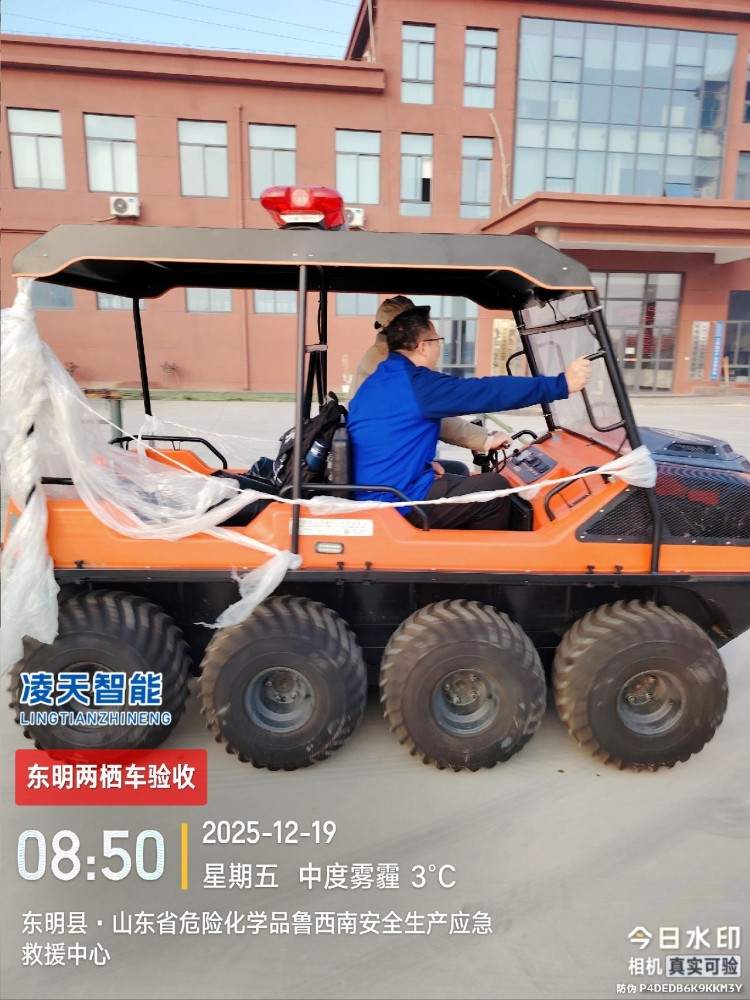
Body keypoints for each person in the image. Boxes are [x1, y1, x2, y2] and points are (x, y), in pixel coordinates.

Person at [348, 305, 591, 530]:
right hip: (395, 501)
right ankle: (484, 562)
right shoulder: (417, 384)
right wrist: (561, 384)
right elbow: (486, 392)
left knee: (458, 469)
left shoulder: (381, 378)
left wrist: (421, 465)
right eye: (438, 341)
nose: (439, 347)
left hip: (380, 488)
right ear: (423, 346)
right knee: (494, 489)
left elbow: (387, 435)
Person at [352, 296, 511, 461]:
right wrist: (485, 439)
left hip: (387, 452)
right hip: (388, 460)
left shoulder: (384, 355)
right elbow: (437, 416)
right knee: (475, 475)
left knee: (457, 468)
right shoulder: (392, 362)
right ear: (403, 328)